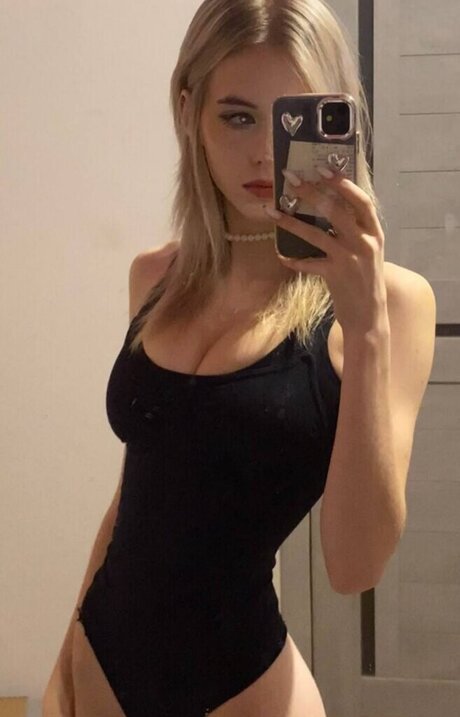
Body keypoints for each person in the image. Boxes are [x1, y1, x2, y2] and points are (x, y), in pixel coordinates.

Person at [42, 0, 436, 715]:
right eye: (238, 117)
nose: (263, 155)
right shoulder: (155, 277)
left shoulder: (394, 305)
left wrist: (366, 329)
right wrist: (67, 652)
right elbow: (138, 491)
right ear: (189, 111)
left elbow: (355, 566)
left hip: (241, 693)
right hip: (98, 668)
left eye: (290, 123)